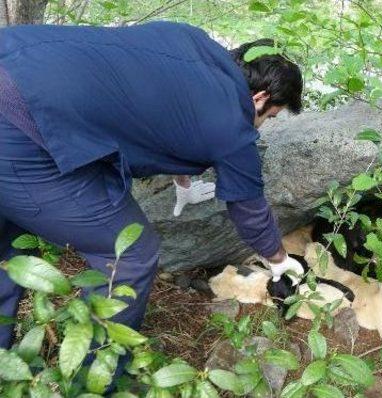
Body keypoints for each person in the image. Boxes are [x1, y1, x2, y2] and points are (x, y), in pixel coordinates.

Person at [0, 22, 305, 349]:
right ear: (260, 98)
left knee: (9, 242)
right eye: (270, 117)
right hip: (21, 126)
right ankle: (98, 376)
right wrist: (278, 259)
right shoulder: (232, 121)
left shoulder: (191, 40)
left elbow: (153, 107)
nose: (261, 127)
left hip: (13, 58)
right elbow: (249, 210)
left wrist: (182, 179)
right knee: (130, 254)